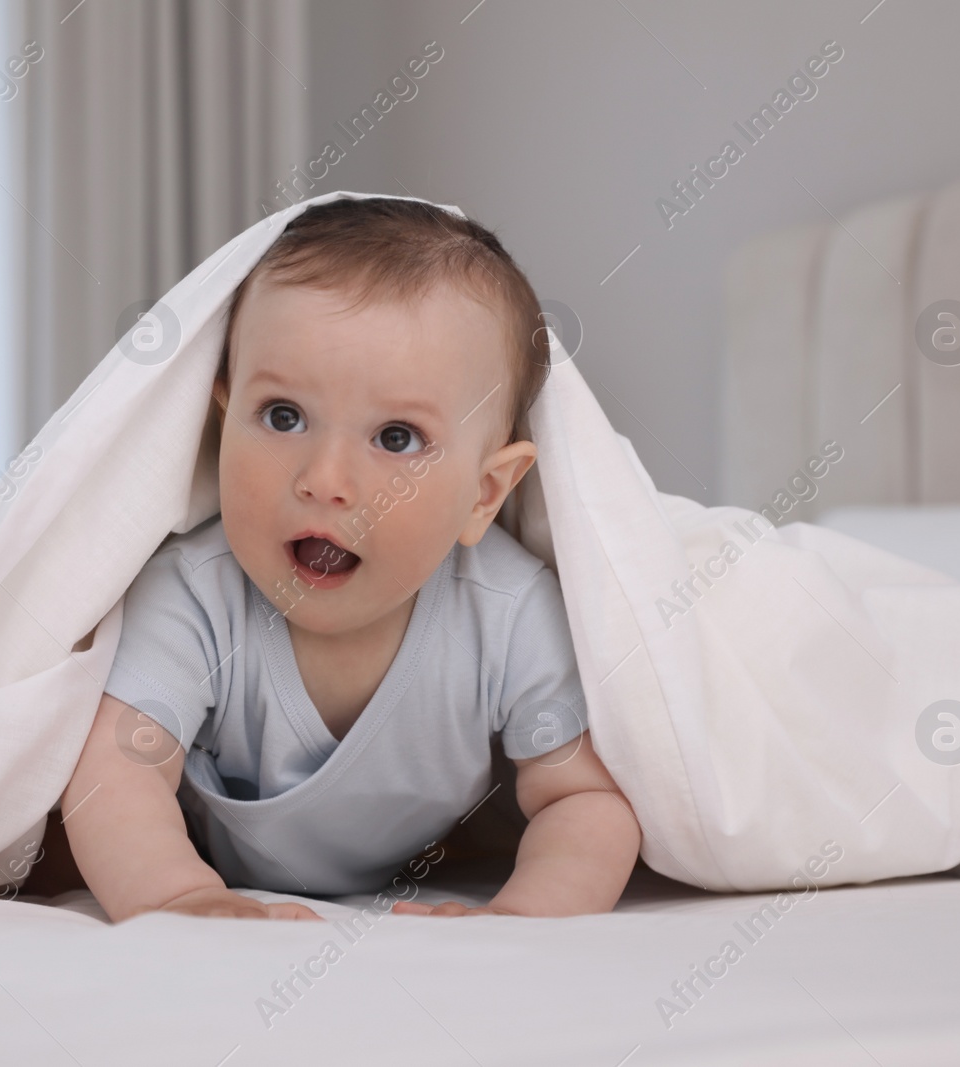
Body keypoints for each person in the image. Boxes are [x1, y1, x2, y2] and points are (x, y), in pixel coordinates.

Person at [61, 197, 641, 921]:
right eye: (282, 416)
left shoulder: (510, 611)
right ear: (220, 418)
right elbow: (115, 774)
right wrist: (182, 897)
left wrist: (523, 916)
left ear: (484, 495)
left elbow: (581, 796)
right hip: (199, 851)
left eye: (396, 437)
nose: (325, 480)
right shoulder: (193, 595)